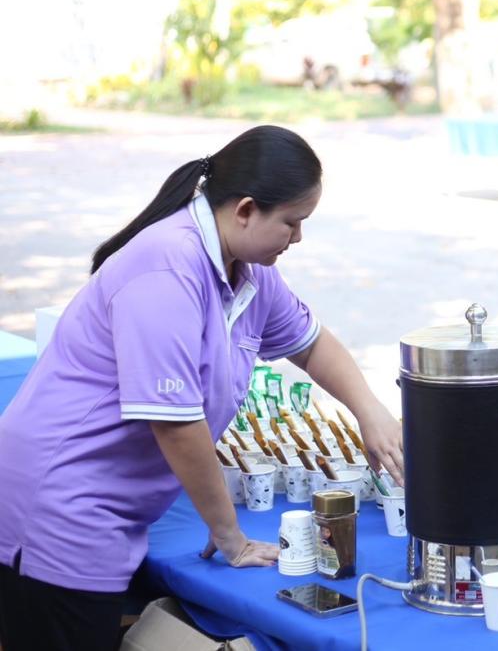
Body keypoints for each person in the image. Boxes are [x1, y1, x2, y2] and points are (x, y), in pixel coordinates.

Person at [0, 126, 404, 651]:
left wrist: (369, 411)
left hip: (107, 505)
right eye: (292, 223)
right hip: (61, 505)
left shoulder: (250, 273)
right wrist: (229, 535)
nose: (298, 238)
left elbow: (311, 344)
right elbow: (176, 424)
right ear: (245, 210)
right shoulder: (165, 270)